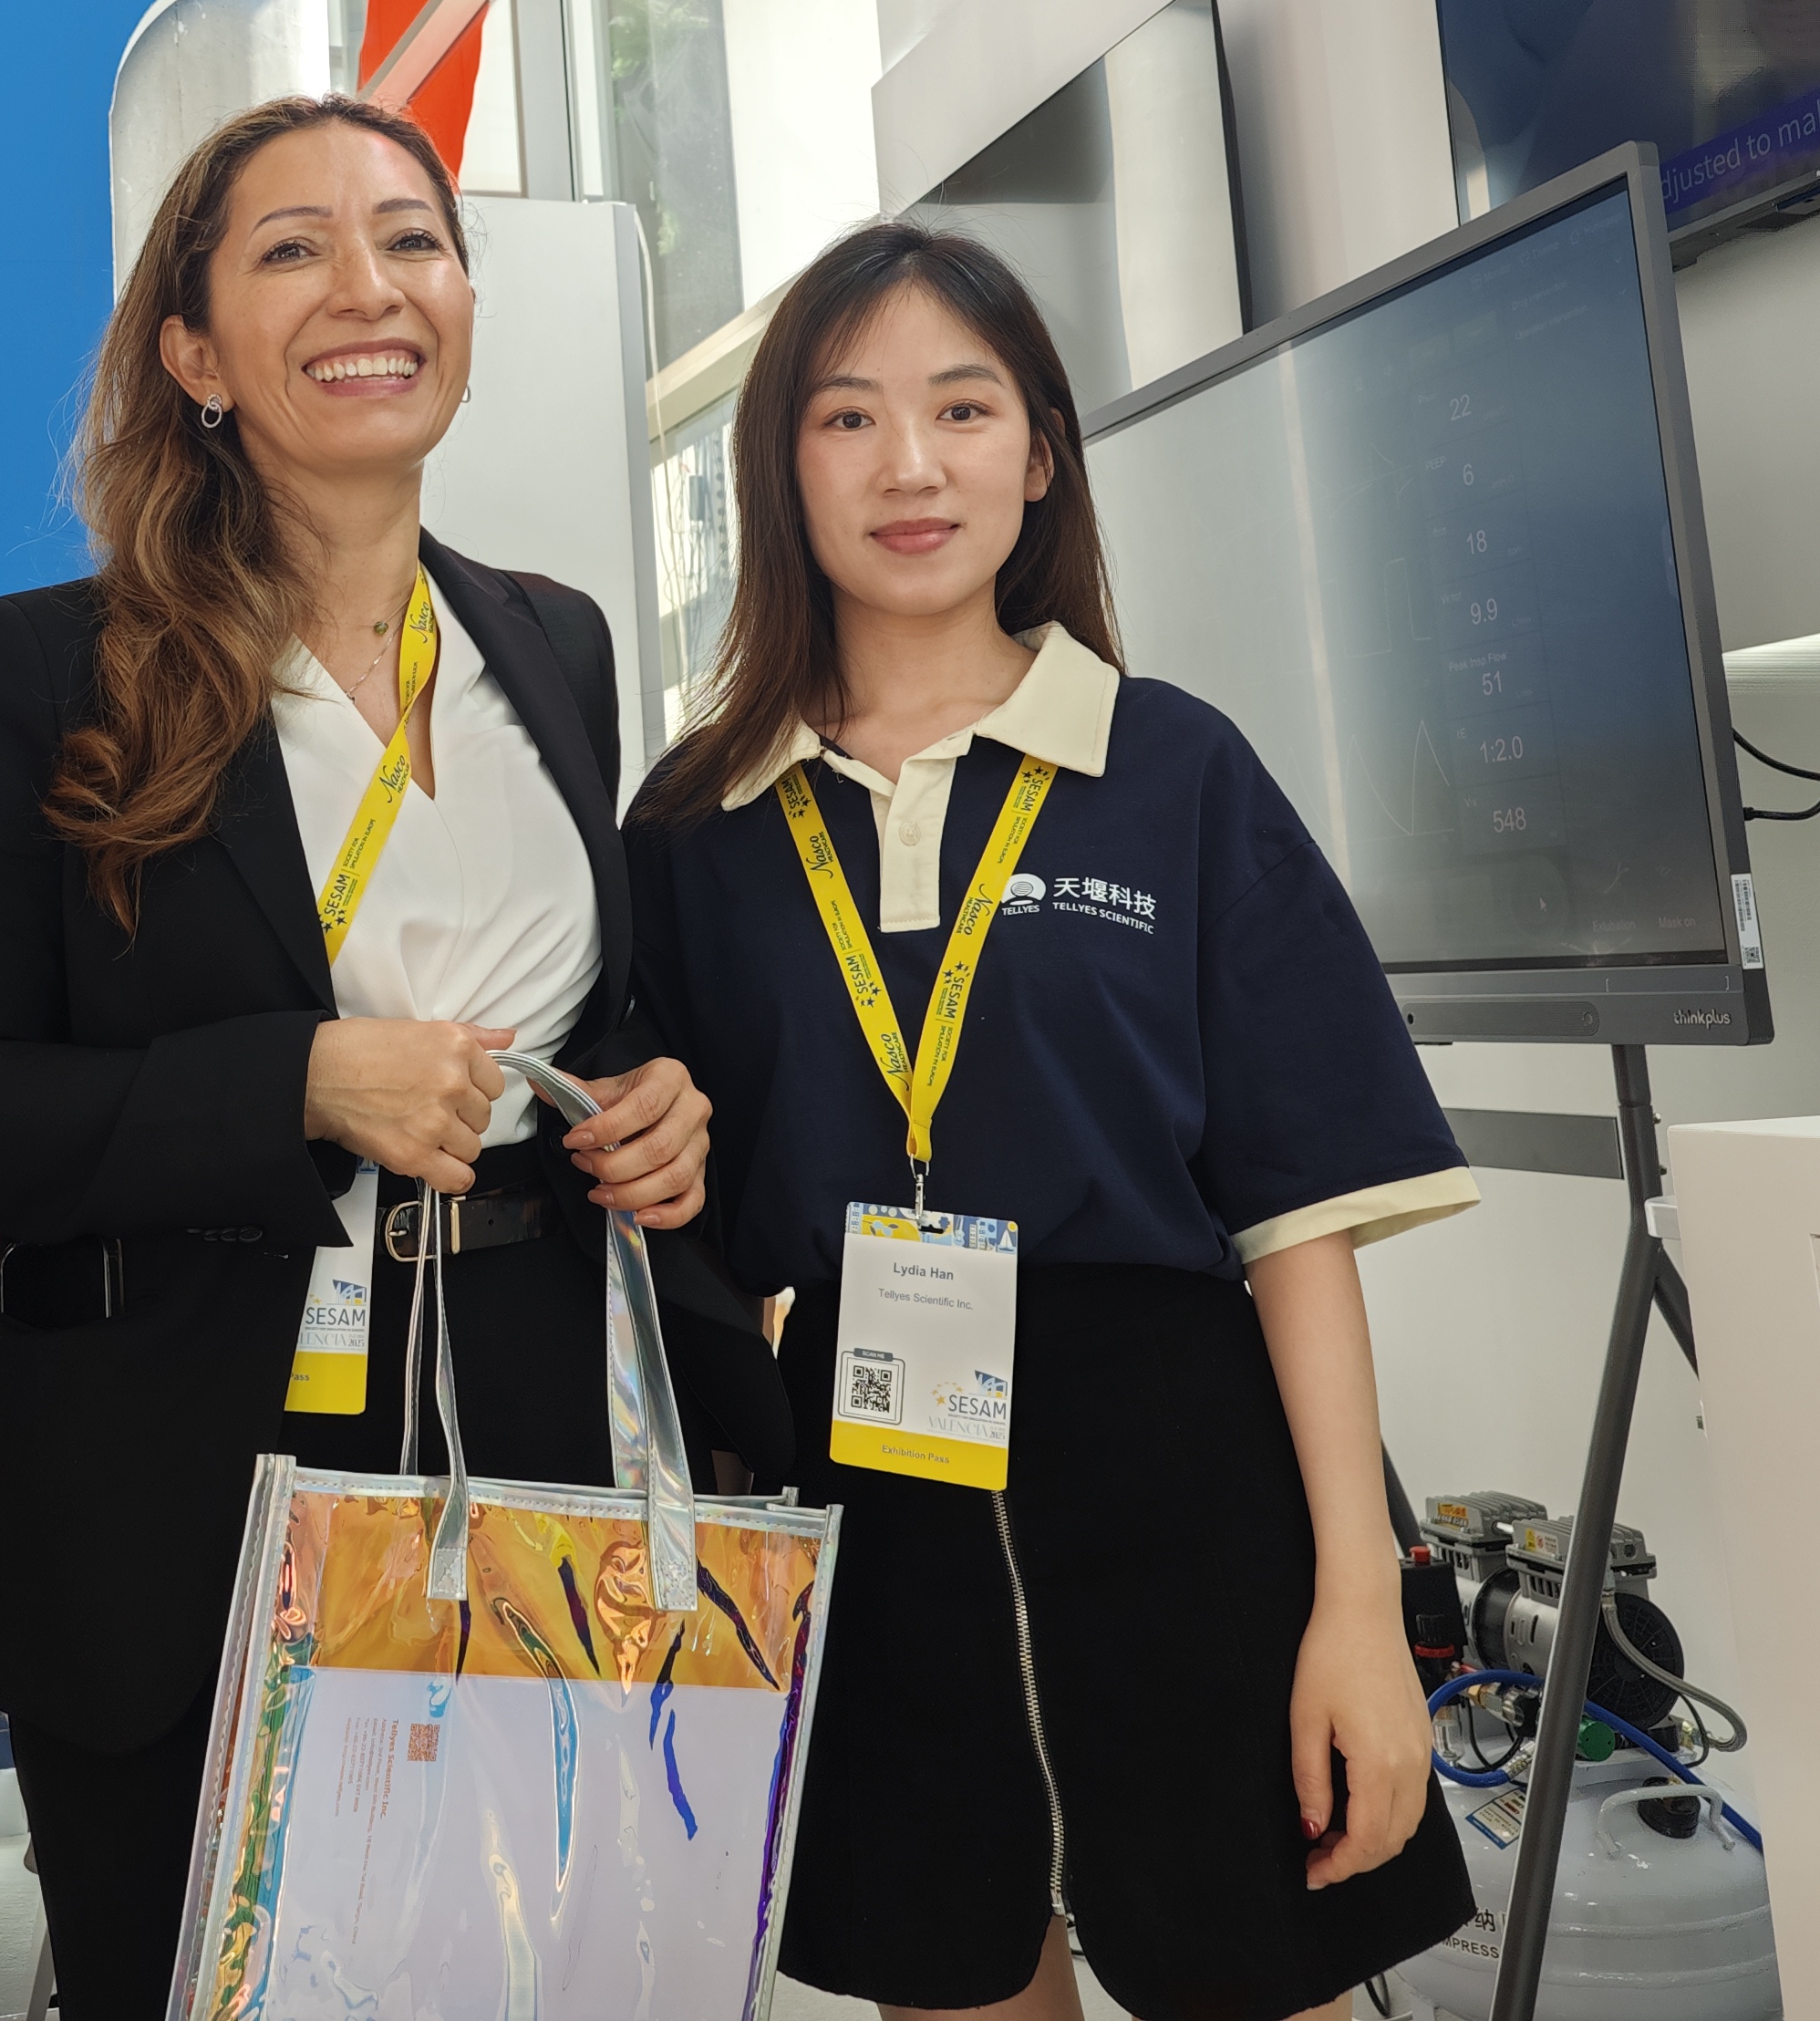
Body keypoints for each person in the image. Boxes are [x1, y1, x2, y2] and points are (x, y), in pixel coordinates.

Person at [0, 94, 788, 2020]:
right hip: (187, 1487)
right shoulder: (53, 666)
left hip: (537, 1455)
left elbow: (577, 1004)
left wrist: (653, 1104)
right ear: (193, 353)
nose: (370, 285)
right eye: (292, 248)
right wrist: (290, 1080)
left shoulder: (552, 641)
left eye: (411, 238)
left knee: (524, 1980)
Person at [625, 221, 1480, 2021]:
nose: (909, 465)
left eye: (961, 408)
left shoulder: (1171, 768)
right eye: (846, 417)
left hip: (1182, 1476)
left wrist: (1356, 1602)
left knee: (1256, 1970)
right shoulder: (697, 823)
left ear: (1038, 455)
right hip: (867, 1487)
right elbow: (679, 1231)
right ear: (780, 465)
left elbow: (1295, 1226)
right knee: (951, 1975)